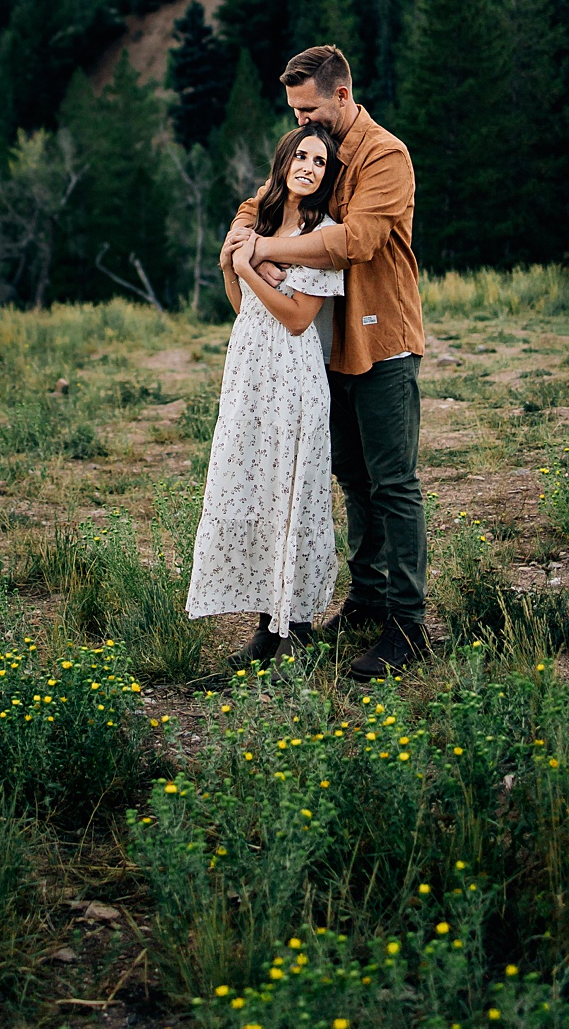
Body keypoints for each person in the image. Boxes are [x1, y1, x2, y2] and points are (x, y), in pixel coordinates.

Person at [222, 44, 427, 680]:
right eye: (293, 110)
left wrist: (265, 249)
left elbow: (353, 240)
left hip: (382, 338)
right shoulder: (315, 144)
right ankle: (366, 599)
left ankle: (407, 624)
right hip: (325, 347)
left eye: (308, 108)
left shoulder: (384, 156)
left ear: (341, 96)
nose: (300, 121)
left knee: (393, 481)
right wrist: (243, 235)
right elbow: (262, 196)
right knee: (351, 474)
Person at [186, 124, 344, 669]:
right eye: (301, 155)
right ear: (283, 161)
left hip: (293, 374)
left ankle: (296, 624)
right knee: (254, 489)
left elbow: (299, 318)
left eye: (320, 162)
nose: (308, 166)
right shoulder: (260, 219)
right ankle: (263, 622)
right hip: (249, 367)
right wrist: (241, 267)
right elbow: (238, 299)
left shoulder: (321, 232)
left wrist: (249, 265)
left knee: (294, 491)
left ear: (326, 175)